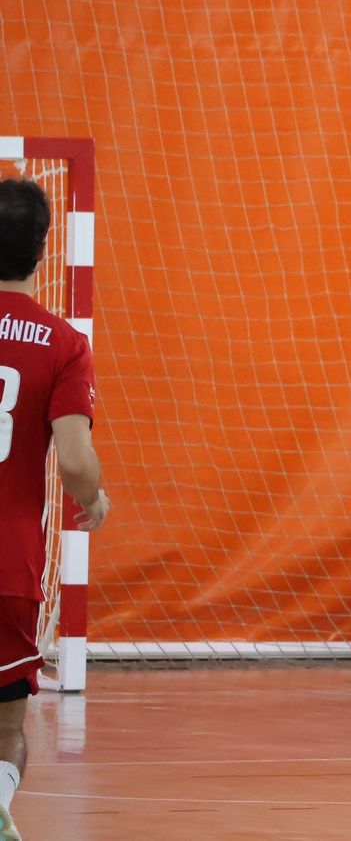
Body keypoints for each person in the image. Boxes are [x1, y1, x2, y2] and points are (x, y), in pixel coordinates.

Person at [0, 178, 110, 841]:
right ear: (43, 252)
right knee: (9, 728)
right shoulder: (64, 343)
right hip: (8, 566)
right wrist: (93, 496)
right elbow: (73, 462)